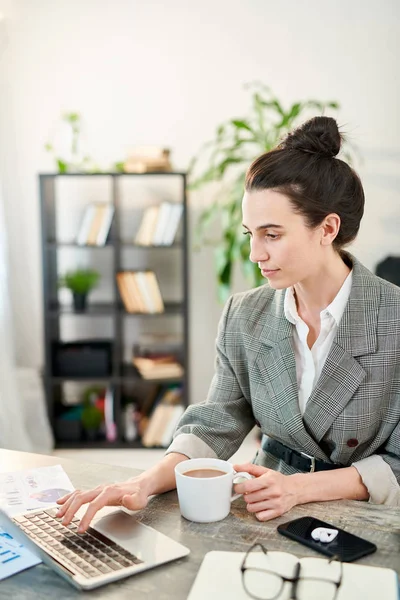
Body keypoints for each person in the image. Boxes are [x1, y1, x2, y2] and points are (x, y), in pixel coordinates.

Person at [57, 116, 400, 532]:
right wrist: (142, 483)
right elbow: (216, 422)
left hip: (366, 520)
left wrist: (299, 489)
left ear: (327, 228)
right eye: (249, 234)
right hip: (263, 511)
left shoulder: (393, 318)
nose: (255, 253)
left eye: (272, 235)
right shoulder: (245, 314)